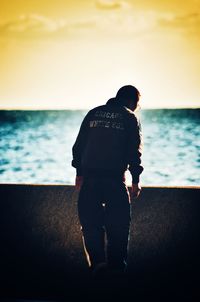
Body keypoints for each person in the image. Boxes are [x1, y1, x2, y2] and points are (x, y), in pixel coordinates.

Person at [72, 85, 143, 276]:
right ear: (132, 101)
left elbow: (78, 147)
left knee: (91, 226)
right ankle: (116, 271)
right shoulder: (129, 117)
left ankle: (97, 267)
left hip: (90, 180)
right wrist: (135, 180)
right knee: (119, 226)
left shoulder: (94, 113)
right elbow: (134, 152)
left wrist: (79, 173)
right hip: (114, 180)